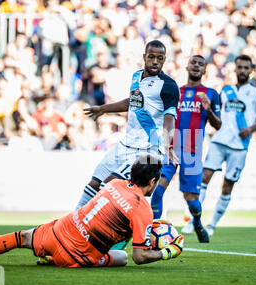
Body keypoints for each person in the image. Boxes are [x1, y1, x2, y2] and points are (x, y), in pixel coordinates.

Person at [0, 155, 184, 268]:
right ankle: (52, 259)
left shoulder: (115, 184)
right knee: (121, 258)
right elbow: (139, 257)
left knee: (22, 237)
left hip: (58, 232)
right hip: (78, 258)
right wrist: (167, 252)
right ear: (152, 181)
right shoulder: (143, 210)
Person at [75, 40, 180, 212]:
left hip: (145, 149)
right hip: (125, 144)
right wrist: (103, 109)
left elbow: (169, 117)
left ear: (164, 60)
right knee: (94, 184)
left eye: (159, 58)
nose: (155, 61)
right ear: (144, 57)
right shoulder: (136, 76)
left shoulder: (169, 86)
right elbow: (132, 102)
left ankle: (98, 230)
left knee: (108, 187)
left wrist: (168, 145)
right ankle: (74, 219)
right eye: (151, 57)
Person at [150, 55, 222, 243]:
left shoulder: (211, 94)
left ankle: (197, 222)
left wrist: (208, 109)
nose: (196, 66)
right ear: (187, 67)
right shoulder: (176, 91)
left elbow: (218, 125)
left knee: (191, 198)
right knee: (157, 190)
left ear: (205, 70)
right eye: (194, 63)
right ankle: (154, 231)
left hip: (192, 149)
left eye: (201, 64)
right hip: (171, 149)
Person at [200, 55, 256, 236]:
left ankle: (212, 224)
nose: (243, 71)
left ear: (251, 70)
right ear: (235, 69)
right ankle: (195, 220)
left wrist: (251, 129)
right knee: (204, 177)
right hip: (220, 140)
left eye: (246, 68)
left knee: (227, 185)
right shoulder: (226, 90)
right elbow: (218, 115)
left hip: (240, 145)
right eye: (240, 67)